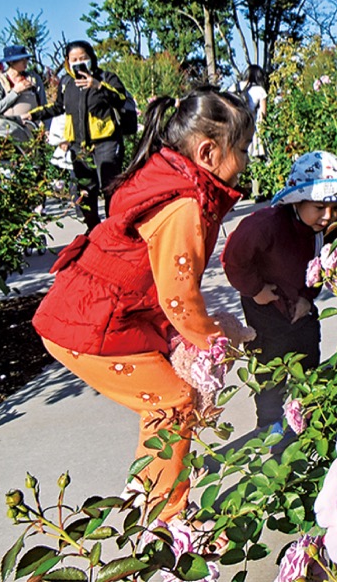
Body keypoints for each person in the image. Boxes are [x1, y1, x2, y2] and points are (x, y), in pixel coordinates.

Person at [32, 87, 254, 534]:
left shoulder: (168, 176)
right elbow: (178, 298)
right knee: (174, 402)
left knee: (165, 402)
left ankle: (150, 498)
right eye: (244, 148)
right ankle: (164, 519)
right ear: (209, 151)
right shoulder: (184, 204)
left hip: (96, 314)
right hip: (91, 328)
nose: (248, 159)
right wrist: (214, 338)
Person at [221, 150, 337, 431]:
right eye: (319, 207)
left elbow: (321, 266)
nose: (328, 216)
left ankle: (308, 408)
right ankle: (270, 423)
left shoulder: (326, 230)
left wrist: (308, 298)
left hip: (300, 304)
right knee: (270, 362)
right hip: (266, 306)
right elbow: (233, 259)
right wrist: (256, 290)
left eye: (336, 207)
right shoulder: (264, 227)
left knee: (307, 351)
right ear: (297, 201)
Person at [29, 41, 128, 231]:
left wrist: (98, 86)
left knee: (110, 188)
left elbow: (121, 99)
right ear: (67, 62)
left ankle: (115, 230)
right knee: (83, 192)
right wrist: (33, 114)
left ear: (92, 58)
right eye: (74, 59)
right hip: (78, 146)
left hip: (106, 141)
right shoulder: (66, 83)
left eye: (83, 58)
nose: (78, 63)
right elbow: (58, 107)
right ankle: (95, 229)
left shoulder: (105, 77)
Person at [235, 65, 269, 198]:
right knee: (256, 161)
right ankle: (257, 193)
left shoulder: (235, 86)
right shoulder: (260, 90)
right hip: (253, 130)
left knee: (236, 161)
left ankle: (233, 194)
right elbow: (263, 114)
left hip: (236, 129)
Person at [0, 45, 46, 120]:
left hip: (34, 127)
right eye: (22, 59)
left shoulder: (34, 79)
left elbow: (44, 105)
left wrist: (46, 128)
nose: (26, 62)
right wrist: (15, 92)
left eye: (27, 58)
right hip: (9, 128)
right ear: (11, 62)